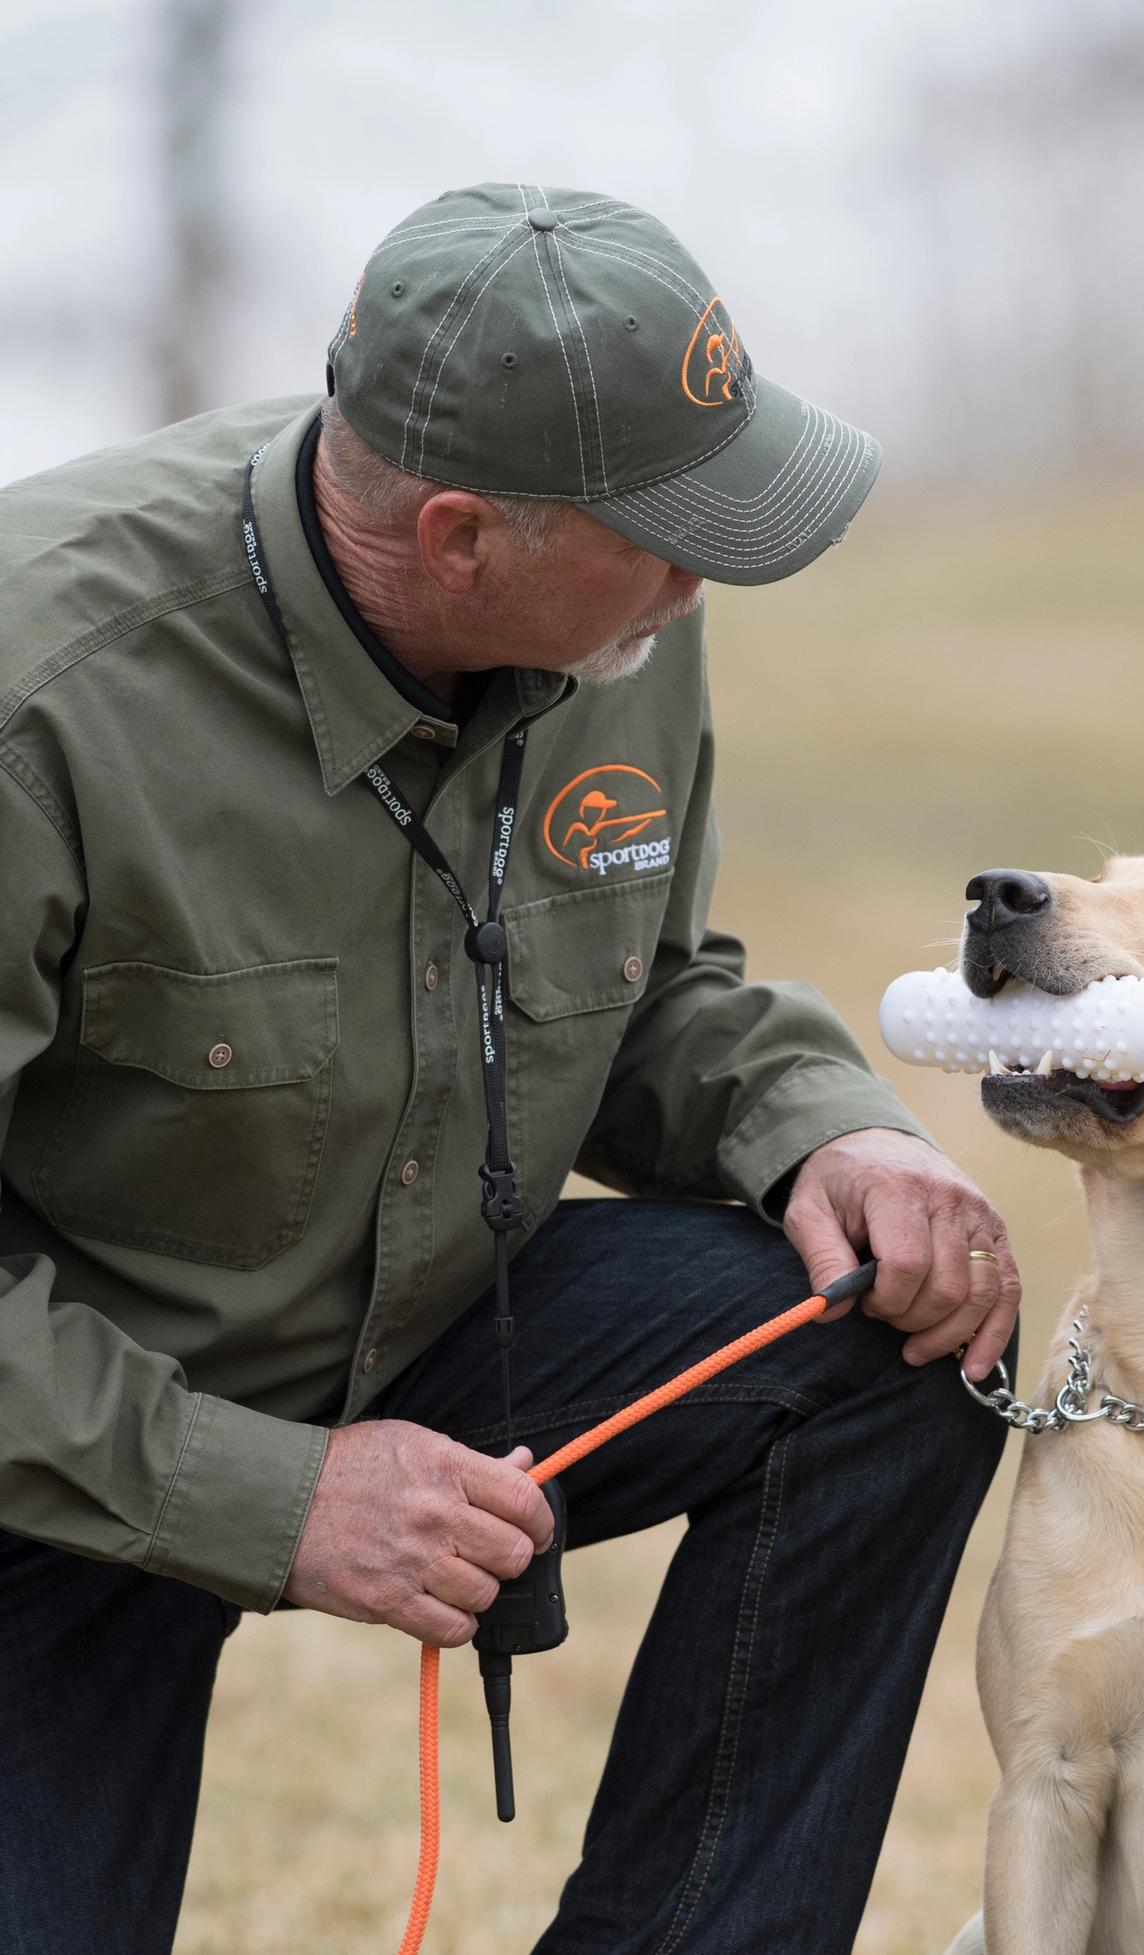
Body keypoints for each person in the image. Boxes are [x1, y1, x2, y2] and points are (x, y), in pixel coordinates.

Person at [0, 182, 1020, 1955]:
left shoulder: (611, 619)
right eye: (667, 532)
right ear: (462, 535)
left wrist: (817, 1132)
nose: (705, 577)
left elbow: (644, 993)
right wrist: (273, 1498)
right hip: (60, 1441)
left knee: (892, 1351)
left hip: (434, 1317)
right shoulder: (39, 696)